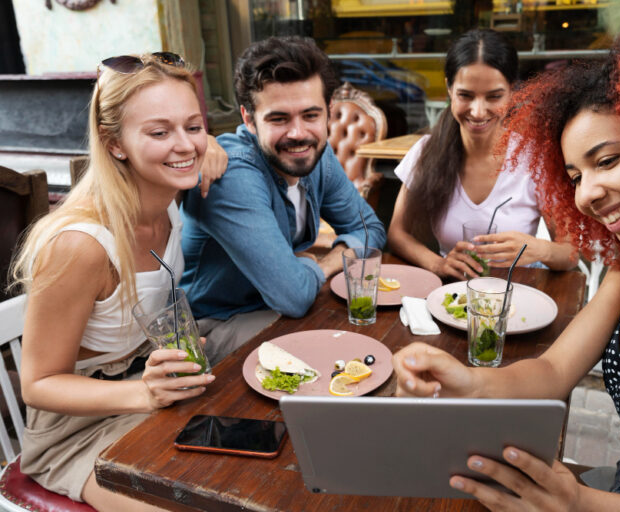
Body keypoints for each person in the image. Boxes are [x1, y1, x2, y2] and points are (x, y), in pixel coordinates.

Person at [393, 26, 620, 511]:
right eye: (574, 176)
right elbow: (552, 370)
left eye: (607, 161)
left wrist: (576, 501)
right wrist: (467, 381)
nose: (586, 194)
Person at [11, 53, 219, 511]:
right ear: (115, 144)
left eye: (194, 125)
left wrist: (209, 146)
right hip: (74, 432)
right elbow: (38, 383)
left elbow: (194, 148)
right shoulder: (80, 245)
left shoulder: (167, 202)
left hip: (148, 395)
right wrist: (145, 392)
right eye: (159, 132)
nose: (185, 145)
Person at [180, 36, 386, 365]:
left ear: (329, 112)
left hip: (274, 308)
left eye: (310, 115)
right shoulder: (231, 176)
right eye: (279, 119)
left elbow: (370, 228)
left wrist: (323, 264)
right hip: (213, 328)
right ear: (248, 119)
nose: (298, 133)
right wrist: (306, 264)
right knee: (340, 356)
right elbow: (293, 296)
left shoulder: (316, 154)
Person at [387, 29, 578, 280]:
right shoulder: (426, 152)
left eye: (494, 96)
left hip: (520, 296)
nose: (478, 112)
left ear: (512, 91)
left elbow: (571, 253)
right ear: (449, 89)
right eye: (465, 95)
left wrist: (540, 249)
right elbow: (397, 234)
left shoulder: (535, 158)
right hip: (453, 295)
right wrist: (438, 264)